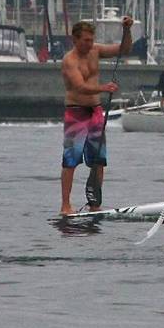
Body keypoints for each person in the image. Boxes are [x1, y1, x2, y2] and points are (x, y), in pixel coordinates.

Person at [59, 16, 134, 215]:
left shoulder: (95, 50)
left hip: (96, 112)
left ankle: (95, 203)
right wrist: (104, 87)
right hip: (76, 112)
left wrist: (126, 30)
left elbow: (123, 50)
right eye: (85, 40)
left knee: (99, 161)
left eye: (91, 40)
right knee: (71, 160)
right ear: (75, 40)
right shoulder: (70, 60)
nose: (89, 44)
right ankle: (65, 205)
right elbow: (80, 86)